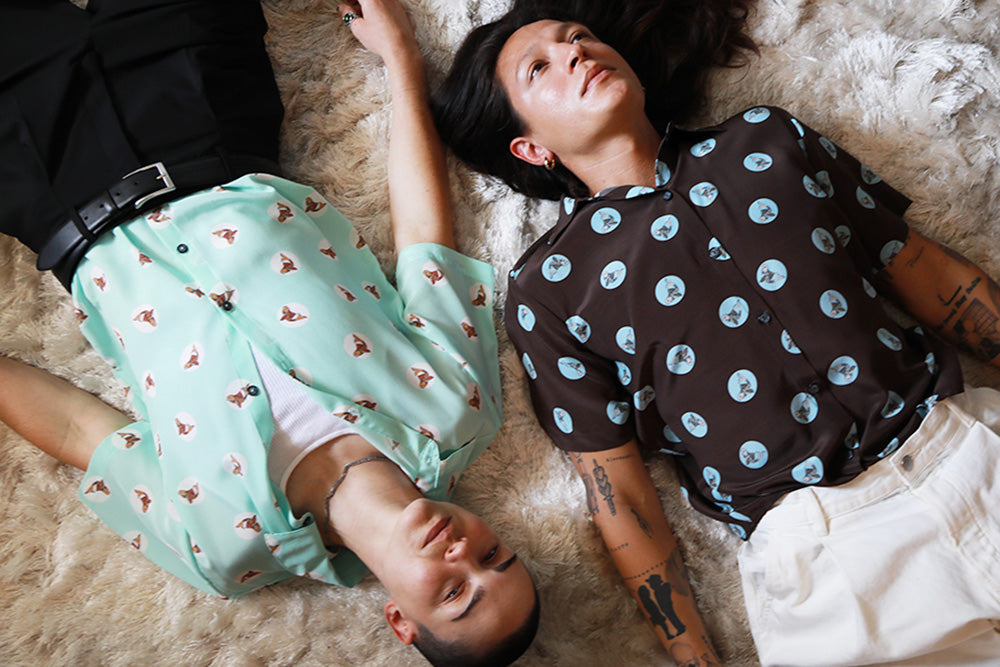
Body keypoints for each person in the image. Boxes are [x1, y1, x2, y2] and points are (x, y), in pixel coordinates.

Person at [433, 2, 1000, 665]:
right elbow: (619, 492)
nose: (577, 53)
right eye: (541, 67)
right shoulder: (548, 289)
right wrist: (694, 655)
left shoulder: (767, 139)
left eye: (580, 36)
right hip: (829, 555)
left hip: (961, 451)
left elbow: (922, 269)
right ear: (531, 147)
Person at [0, 1, 538, 665]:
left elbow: (85, 433)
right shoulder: (458, 410)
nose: (464, 553)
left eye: (456, 592)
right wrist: (402, 61)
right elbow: (425, 239)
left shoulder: (227, 548)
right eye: (494, 554)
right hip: (203, 117)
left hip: (52, 182)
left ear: (400, 618)